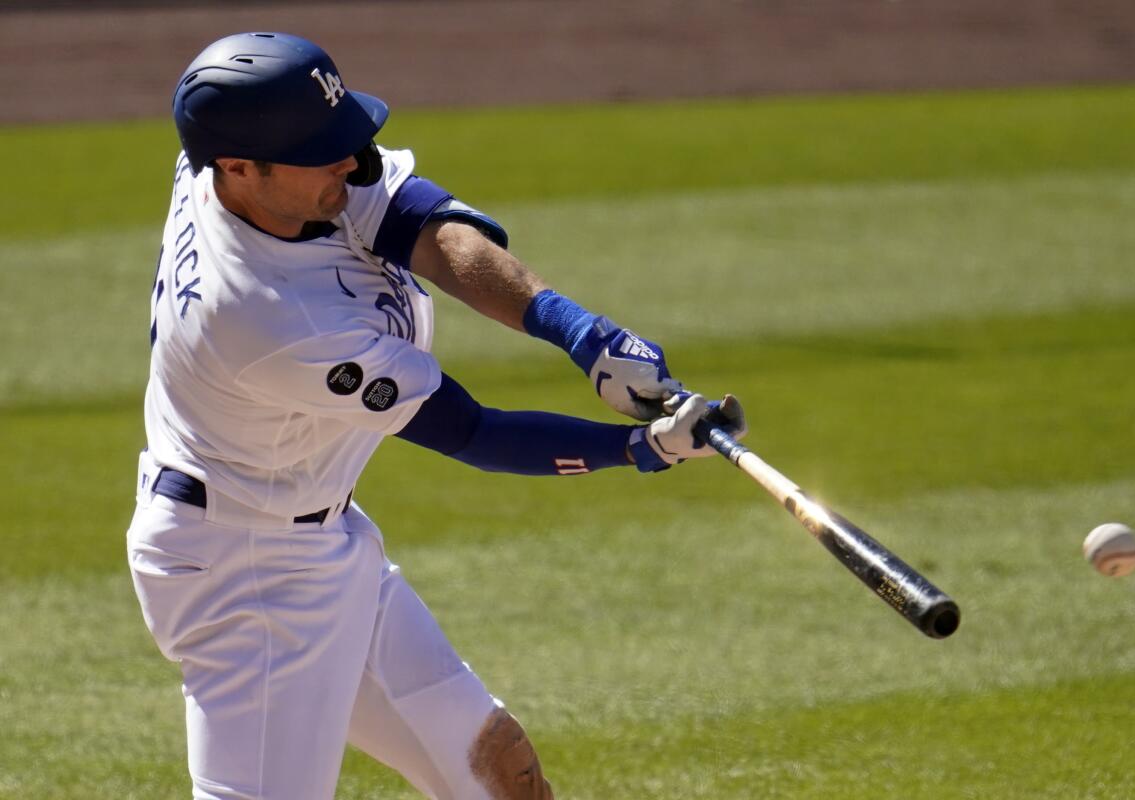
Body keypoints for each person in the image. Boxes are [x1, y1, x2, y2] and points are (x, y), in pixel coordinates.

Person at [127, 31, 746, 800]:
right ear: (240, 169)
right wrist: (640, 447)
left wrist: (585, 337)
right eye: (324, 150)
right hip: (249, 582)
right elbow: (473, 433)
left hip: (316, 539)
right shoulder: (269, 319)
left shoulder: (241, 170)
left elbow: (420, 224)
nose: (352, 163)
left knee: (499, 772)